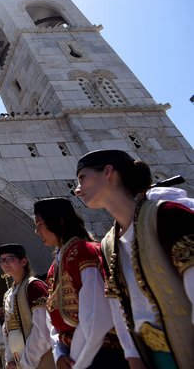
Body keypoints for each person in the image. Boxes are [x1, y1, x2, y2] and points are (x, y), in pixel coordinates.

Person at [75, 149, 194, 367]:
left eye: (82, 178)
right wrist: (132, 354)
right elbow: (119, 304)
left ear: (108, 172)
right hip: (152, 355)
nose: (77, 190)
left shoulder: (167, 215)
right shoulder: (109, 244)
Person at [33, 198, 135, 369]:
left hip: (98, 353)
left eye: (40, 224)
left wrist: (77, 361)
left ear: (59, 220)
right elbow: (52, 317)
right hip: (71, 354)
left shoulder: (83, 251)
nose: (37, 231)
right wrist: (58, 353)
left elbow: (97, 316)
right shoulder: (56, 264)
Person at [0, 243, 54, 369]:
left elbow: (43, 328)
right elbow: (7, 330)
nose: (5, 263)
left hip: (40, 360)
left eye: (10, 259)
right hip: (20, 361)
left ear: (23, 261)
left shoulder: (34, 287)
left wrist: (27, 362)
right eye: (1, 260)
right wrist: (10, 359)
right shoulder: (8, 294)